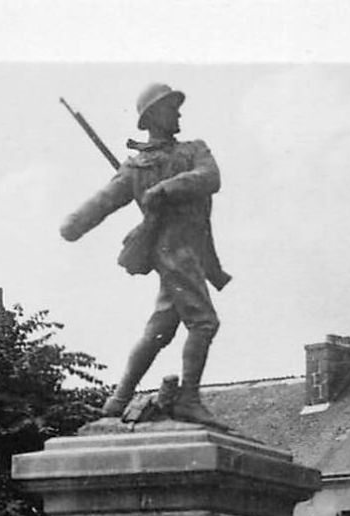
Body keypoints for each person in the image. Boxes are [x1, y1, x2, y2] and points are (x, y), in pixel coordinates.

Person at [60, 83, 231, 427]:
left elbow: (210, 178)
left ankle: (119, 399)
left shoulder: (193, 151)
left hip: (192, 253)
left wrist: (162, 189)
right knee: (204, 322)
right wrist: (74, 224)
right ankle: (189, 399)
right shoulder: (136, 168)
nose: (178, 113)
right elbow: (103, 202)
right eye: (170, 107)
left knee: (159, 330)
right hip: (173, 252)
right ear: (152, 116)